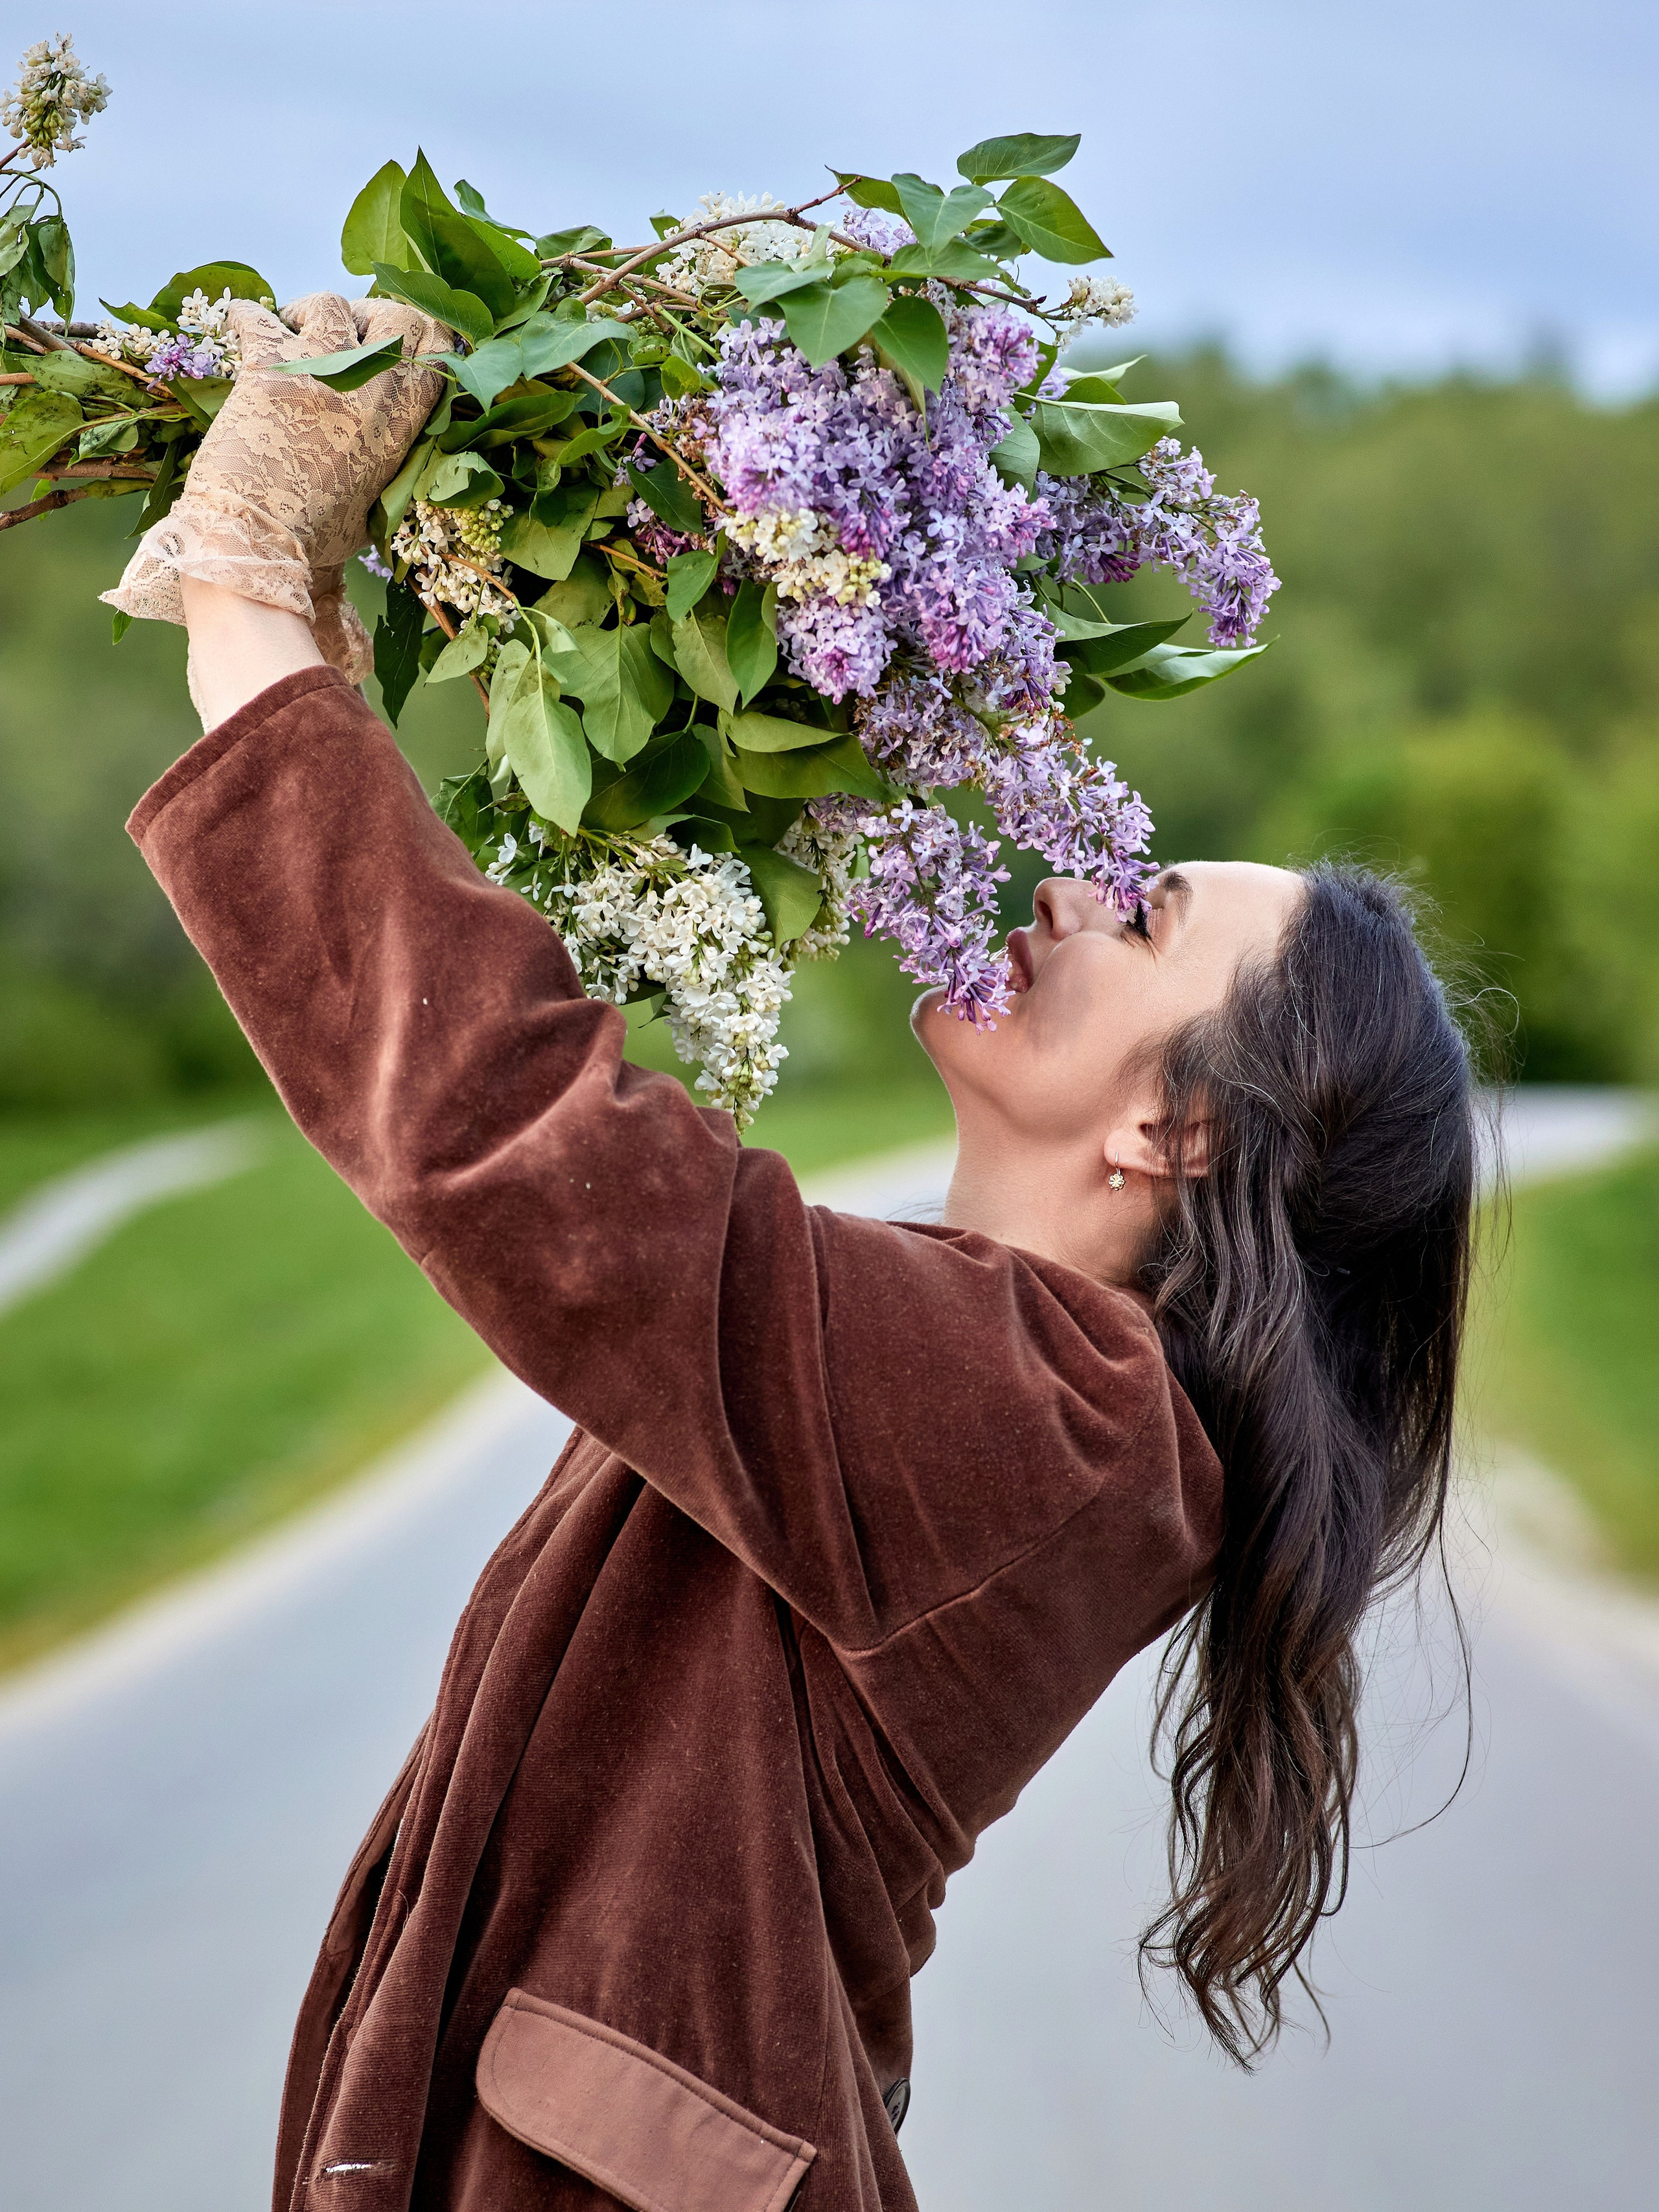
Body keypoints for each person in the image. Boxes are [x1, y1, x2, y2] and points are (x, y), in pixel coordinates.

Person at [108, 297, 1477, 2212]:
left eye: (1146, 911)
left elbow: (531, 1155)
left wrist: (253, 614)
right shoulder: (1020, 1387)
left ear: (1178, 1132)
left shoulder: (1062, 1437)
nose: (1074, 877)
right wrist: (315, 656)